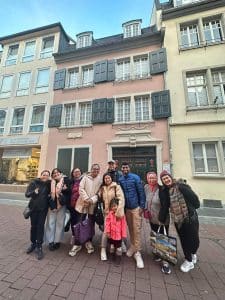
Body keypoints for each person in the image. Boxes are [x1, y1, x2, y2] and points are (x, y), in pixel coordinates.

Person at [159, 170, 200, 273]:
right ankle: (188, 260)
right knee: (184, 239)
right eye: (164, 179)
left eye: (167, 177)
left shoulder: (181, 186)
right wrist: (161, 218)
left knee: (194, 239)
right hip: (178, 220)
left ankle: (193, 253)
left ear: (171, 177)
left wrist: (190, 210)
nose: (166, 180)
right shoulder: (166, 191)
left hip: (190, 217)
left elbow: (195, 201)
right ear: (163, 181)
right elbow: (165, 205)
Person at [70, 164, 102, 256]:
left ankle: (89, 242)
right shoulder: (85, 178)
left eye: (97, 169)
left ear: (99, 170)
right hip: (82, 204)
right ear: (91, 169)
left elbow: (100, 192)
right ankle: (77, 243)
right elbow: (81, 188)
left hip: (92, 206)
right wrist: (86, 199)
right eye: (94, 169)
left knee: (90, 224)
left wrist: (92, 200)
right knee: (79, 223)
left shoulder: (100, 179)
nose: (95, 171)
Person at [119, 162, 146, 268]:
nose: (125, 169)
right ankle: (133, 246)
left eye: (126, 167)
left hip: (136, 208)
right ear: (121, 169)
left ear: (129, 168)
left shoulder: (135, 178)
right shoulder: (120, 179)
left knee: (137, 229)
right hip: (127, 209)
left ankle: (138, 253)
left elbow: (141, 192)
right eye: (123, 167)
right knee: (130, 229)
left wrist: (142, 206)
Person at [144, 172, 171, 274]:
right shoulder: (146, 187)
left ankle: (165, 263)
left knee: (163, 239)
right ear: (147, 179)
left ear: (157, 179)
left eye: (154, 178)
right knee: (155, 235)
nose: (152, 180)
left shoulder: (162, 189)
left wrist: (162, 218)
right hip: (152, 218)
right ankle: (157, 253)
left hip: (162, 219)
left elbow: (165, 205)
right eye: (150, 178)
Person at [98, 173, 125, 261]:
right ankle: (103, 249)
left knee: (118, 229)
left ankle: (120, 245)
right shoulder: (102, 188)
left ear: (111, 178)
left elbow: (121, 199)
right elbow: (99, 197)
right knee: (106, 231)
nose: (107, 179)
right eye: (105, 178)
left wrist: (118, 212)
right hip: (106, 213)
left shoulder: (116, 186)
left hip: (115, 212)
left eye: (108, 178)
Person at [25, 170, 51, 260]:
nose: (45, 177)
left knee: (40, 227)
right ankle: (33, 243)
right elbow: (27, 194)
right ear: (41, 175)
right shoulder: (34, 183)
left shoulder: (49, 184)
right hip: (33, 209)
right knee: (33, 226)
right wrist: (34, 192)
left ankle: (39, 246)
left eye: (47, 175)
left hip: (43, 210)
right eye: (44, 175)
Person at [45, 168, 71, 251]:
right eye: (54, 173)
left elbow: (69, 192)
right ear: (52, 175)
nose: (56, 174)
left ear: (61, 173)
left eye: (57, 172)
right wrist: (52, 205)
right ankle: (50, 241)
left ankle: (57, 241)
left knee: (60, 223)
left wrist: (65, 189)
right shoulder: (50, 182)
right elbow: (47, 193)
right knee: (50, 223)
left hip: (61, 205)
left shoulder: (66, 180)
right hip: (51, 206)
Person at [104, 198, 127, 264]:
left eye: (115, 206)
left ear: (118, 206)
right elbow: (107, 224)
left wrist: (123, 235)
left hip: (118, 236)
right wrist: (107, 232)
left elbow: (123, 226)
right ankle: (112, 256)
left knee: (118, 247)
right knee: (112, 246)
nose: (114, 208)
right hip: (111, 235)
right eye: (112, 206)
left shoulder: (121, 215)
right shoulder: (110, 214)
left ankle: (118, 258)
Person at [68, 168, 83, 256]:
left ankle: (78, 243)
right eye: (75, 172)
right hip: (71, 206)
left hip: (80, 206)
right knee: (73, 222)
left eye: (78, 171)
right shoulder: (70, 182)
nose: (77, 173)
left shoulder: (83, 181)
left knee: (79, 223)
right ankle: (74, 236)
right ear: (72, 173)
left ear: (80, 172)